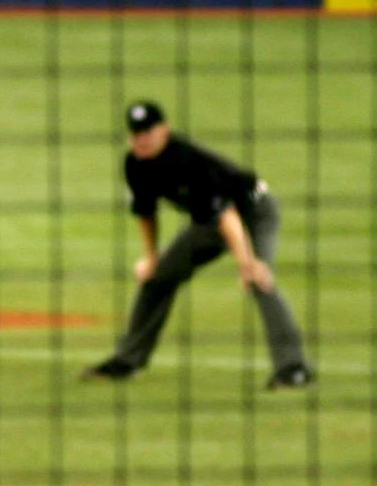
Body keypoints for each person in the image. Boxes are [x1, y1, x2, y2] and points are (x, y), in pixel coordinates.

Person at [85, 100, 314, 390]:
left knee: (259, 279)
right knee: (158, 277)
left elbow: (229, 217)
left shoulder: (187, 161)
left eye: (147, 132)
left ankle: (295, 370)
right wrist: (151, 257)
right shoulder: (135, 164)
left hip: (254, 212)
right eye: (135, 133)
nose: (140, 139)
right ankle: (128, 361)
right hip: (210, 222)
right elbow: (146, 213)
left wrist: (246, 264)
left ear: (164, 131)